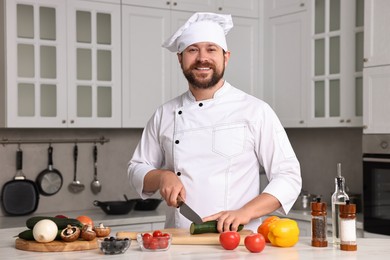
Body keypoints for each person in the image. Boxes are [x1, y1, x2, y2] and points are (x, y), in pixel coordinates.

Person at [128, 12, 302, 232]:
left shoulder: (255, 111)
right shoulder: (164, 114)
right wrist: (163, 176)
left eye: (211, 49)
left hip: (237, 242)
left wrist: (245, 212)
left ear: (225, 57)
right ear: (180, 58)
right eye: (192, 50)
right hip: (180, 240)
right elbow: (136, 168)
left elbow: (289, 177)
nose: (202, 58)